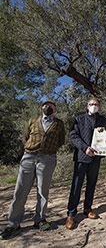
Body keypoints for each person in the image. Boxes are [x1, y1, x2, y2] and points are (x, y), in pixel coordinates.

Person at [0, 101, 65, 240]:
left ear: (55, 109)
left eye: (51, 106)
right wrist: (32, 149)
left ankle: (40, 219)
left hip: (47, 159)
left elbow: (61, 140)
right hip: (29, 157)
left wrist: (48, 150)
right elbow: (26, 137)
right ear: (42, 108)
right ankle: (13, 223)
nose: (48, 108)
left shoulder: (59, 124)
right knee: (20, 190)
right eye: (46, 106)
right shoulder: (32, 121)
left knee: (43, 191)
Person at [65, 97, 106, 230]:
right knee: (76, 186)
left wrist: (103, 131)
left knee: (91, 184)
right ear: (87, 106)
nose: (93, 106)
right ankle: (71, 214)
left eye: (96, 104)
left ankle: (87, 208)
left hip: (96, 158)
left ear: (99, 107)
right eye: (91, 104)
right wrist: (85, 148)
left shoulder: (103, 120)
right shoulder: (79, 119)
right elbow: (73, 136)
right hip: (81, 158)